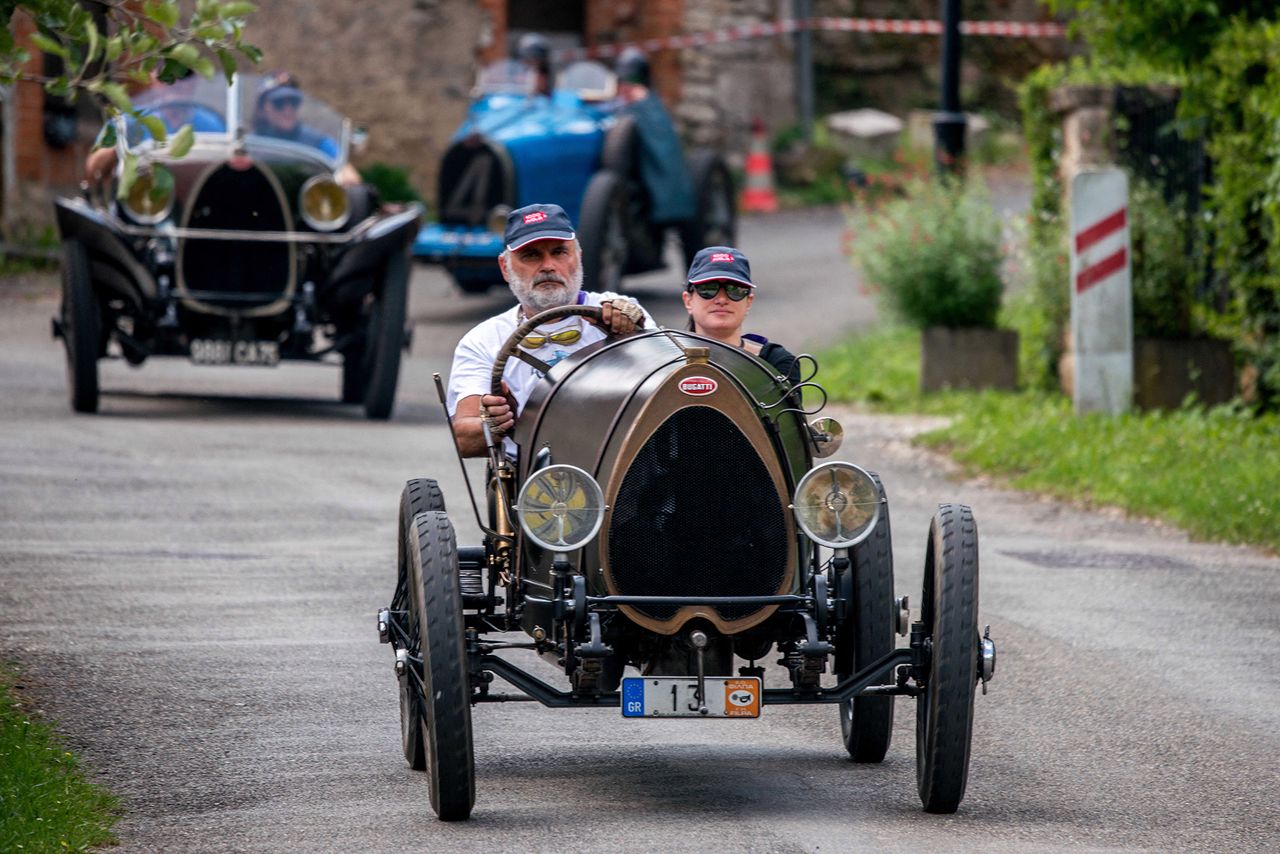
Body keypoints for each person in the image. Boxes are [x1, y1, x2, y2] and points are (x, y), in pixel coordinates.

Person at [447, 203, 652, 457]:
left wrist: (635, 338)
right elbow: (465, 440)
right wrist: (493, 423)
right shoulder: (483, 341)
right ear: (504, 267)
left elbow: (665, 397)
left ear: (578, 257)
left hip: (615, 467)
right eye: (531, 255)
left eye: (559, 252)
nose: (548, 266)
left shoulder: (621, 312)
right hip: (532, 479)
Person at [84, 67, 225, 186]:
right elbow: (93, 170)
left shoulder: (213, 125)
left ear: (196, 81)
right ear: (154, 79)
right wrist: (116, 149)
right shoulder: (128, 122)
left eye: (184, 76)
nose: (176, 83)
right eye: (167, 75)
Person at [682, 245, 799, 383]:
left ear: (748, 302)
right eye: (708, 289)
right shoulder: (662, 359)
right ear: (688, 300)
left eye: (735, 290)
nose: (721, 299)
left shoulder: (775, 362)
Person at [612, 47, 694, 225]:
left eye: (632, 80)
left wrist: (641, 103)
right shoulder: (617, 107)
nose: (626, 86)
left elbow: (663, 149)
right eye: (622, 81)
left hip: (647, 194)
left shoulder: (652, 110)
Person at [252, 71, 360, 186]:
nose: (288, 110)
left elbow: (348, 174)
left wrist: (345, 177)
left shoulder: (317, 142)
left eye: (293, 102)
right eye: (279, 103)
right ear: (261, 109)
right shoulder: (251, 145)